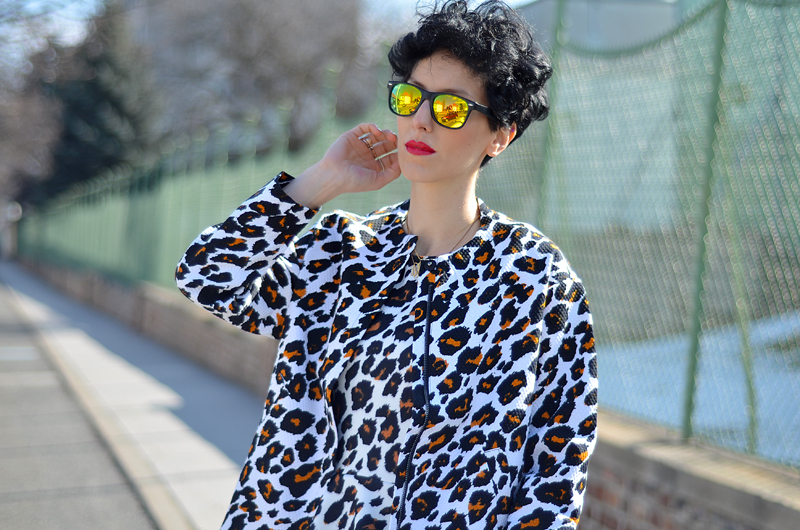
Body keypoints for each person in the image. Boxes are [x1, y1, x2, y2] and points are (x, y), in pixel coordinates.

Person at [176, 2, 597, 529]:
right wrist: (322, 181)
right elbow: (207, 278)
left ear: (500, 134)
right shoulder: (343, 251)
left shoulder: (534, 279)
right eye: (411, 97)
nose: (421, 119)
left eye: (451, 109)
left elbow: (555, 474)